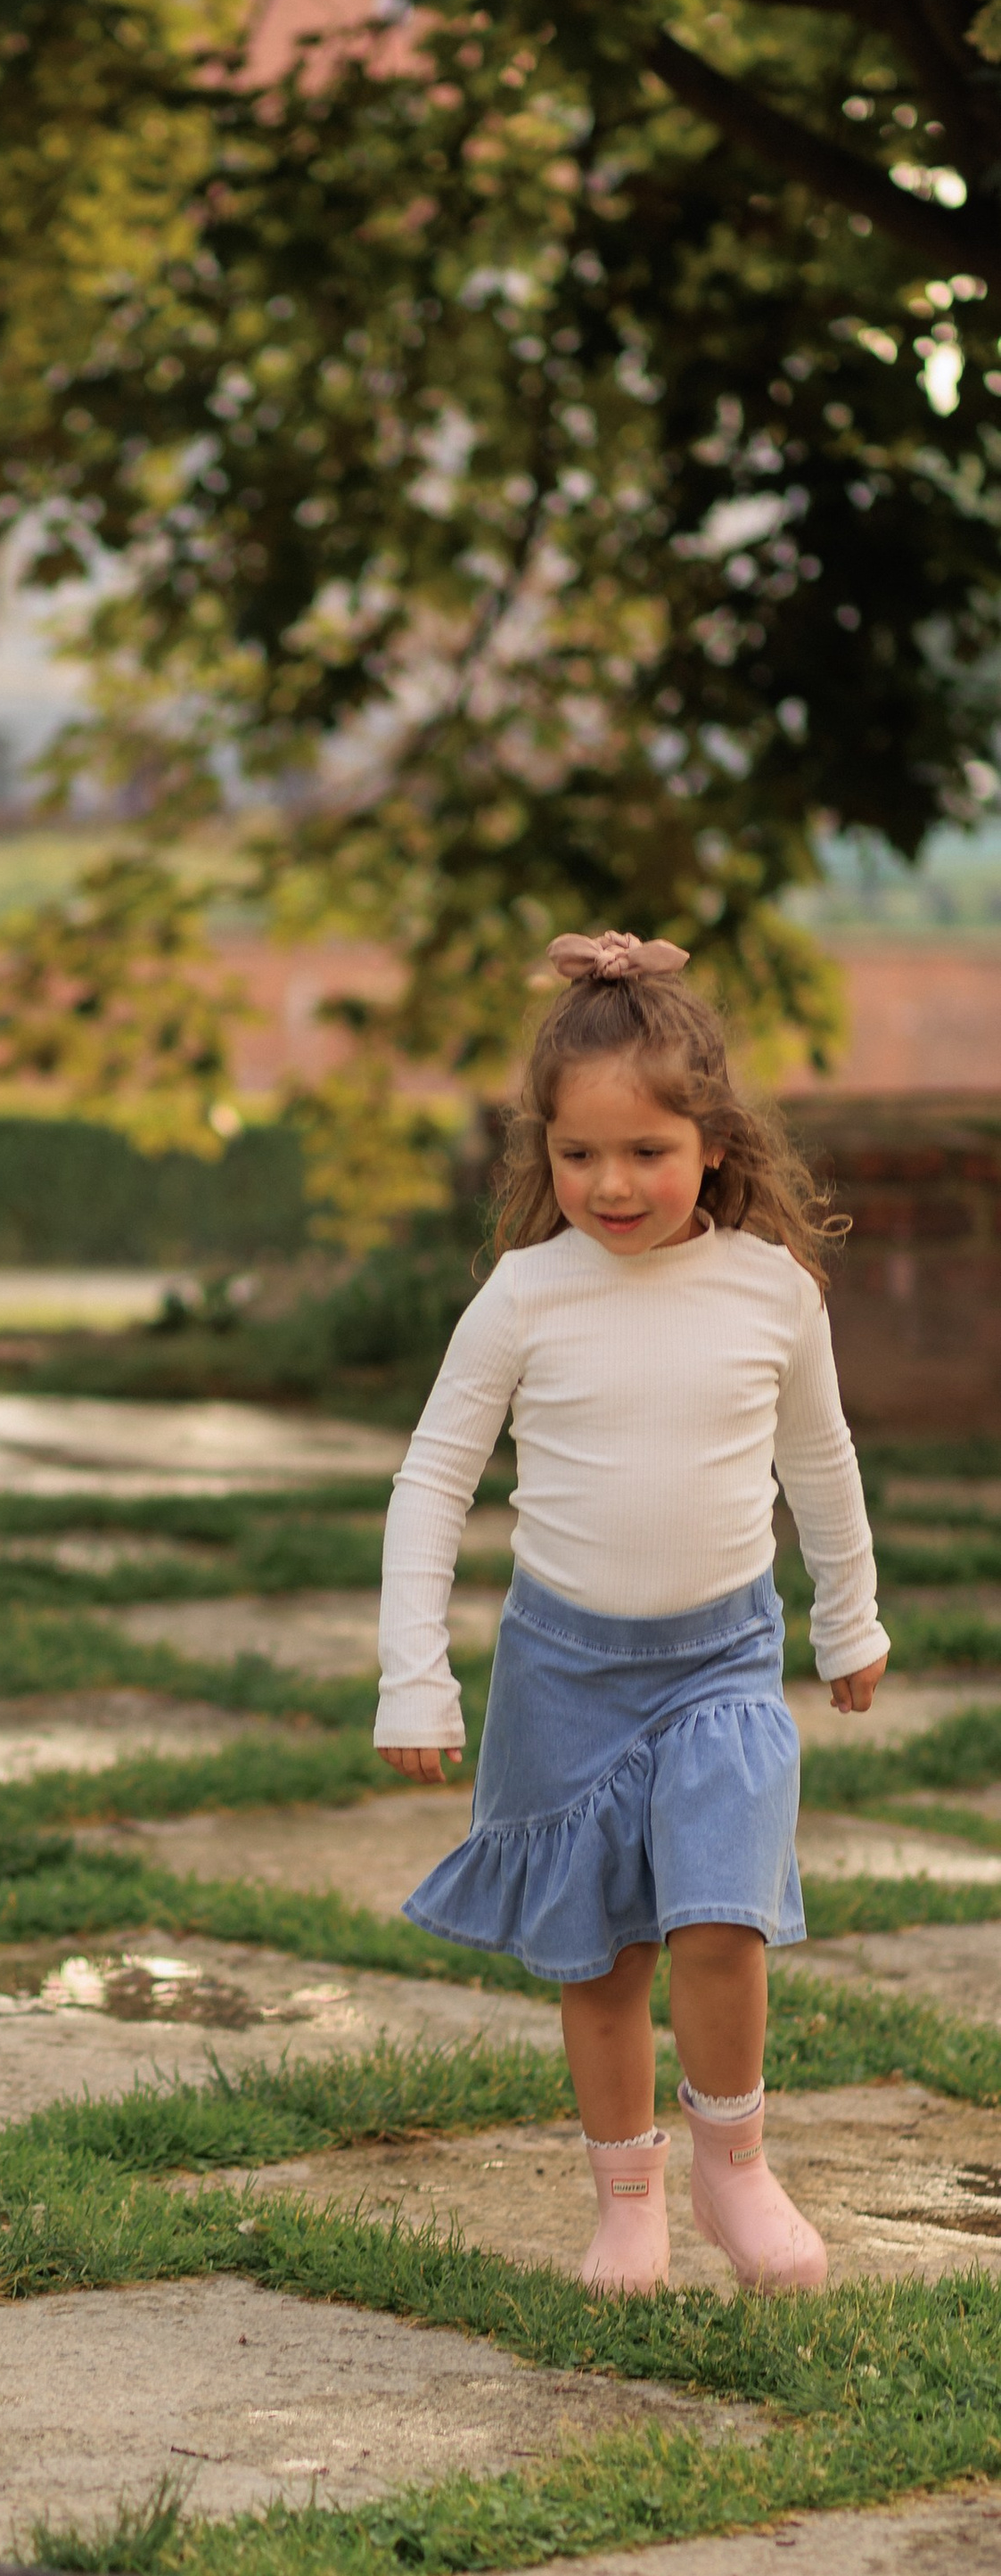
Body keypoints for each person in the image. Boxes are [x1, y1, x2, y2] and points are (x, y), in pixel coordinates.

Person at [374, 932, 887, 2297]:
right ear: (543, 1155)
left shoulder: (772, 1294)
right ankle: (627, 2199)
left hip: (721, 1657)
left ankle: (736, 2166)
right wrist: (412, 1677)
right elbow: (433, 1478)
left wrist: (851, 1618)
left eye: (646, 1153)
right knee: (600, 1955)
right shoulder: (525, 1298)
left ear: (714, 1144)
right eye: (578, 1156)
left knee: (723, 1925)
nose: (611, 1185)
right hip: (564, 1673)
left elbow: (820, 1464)